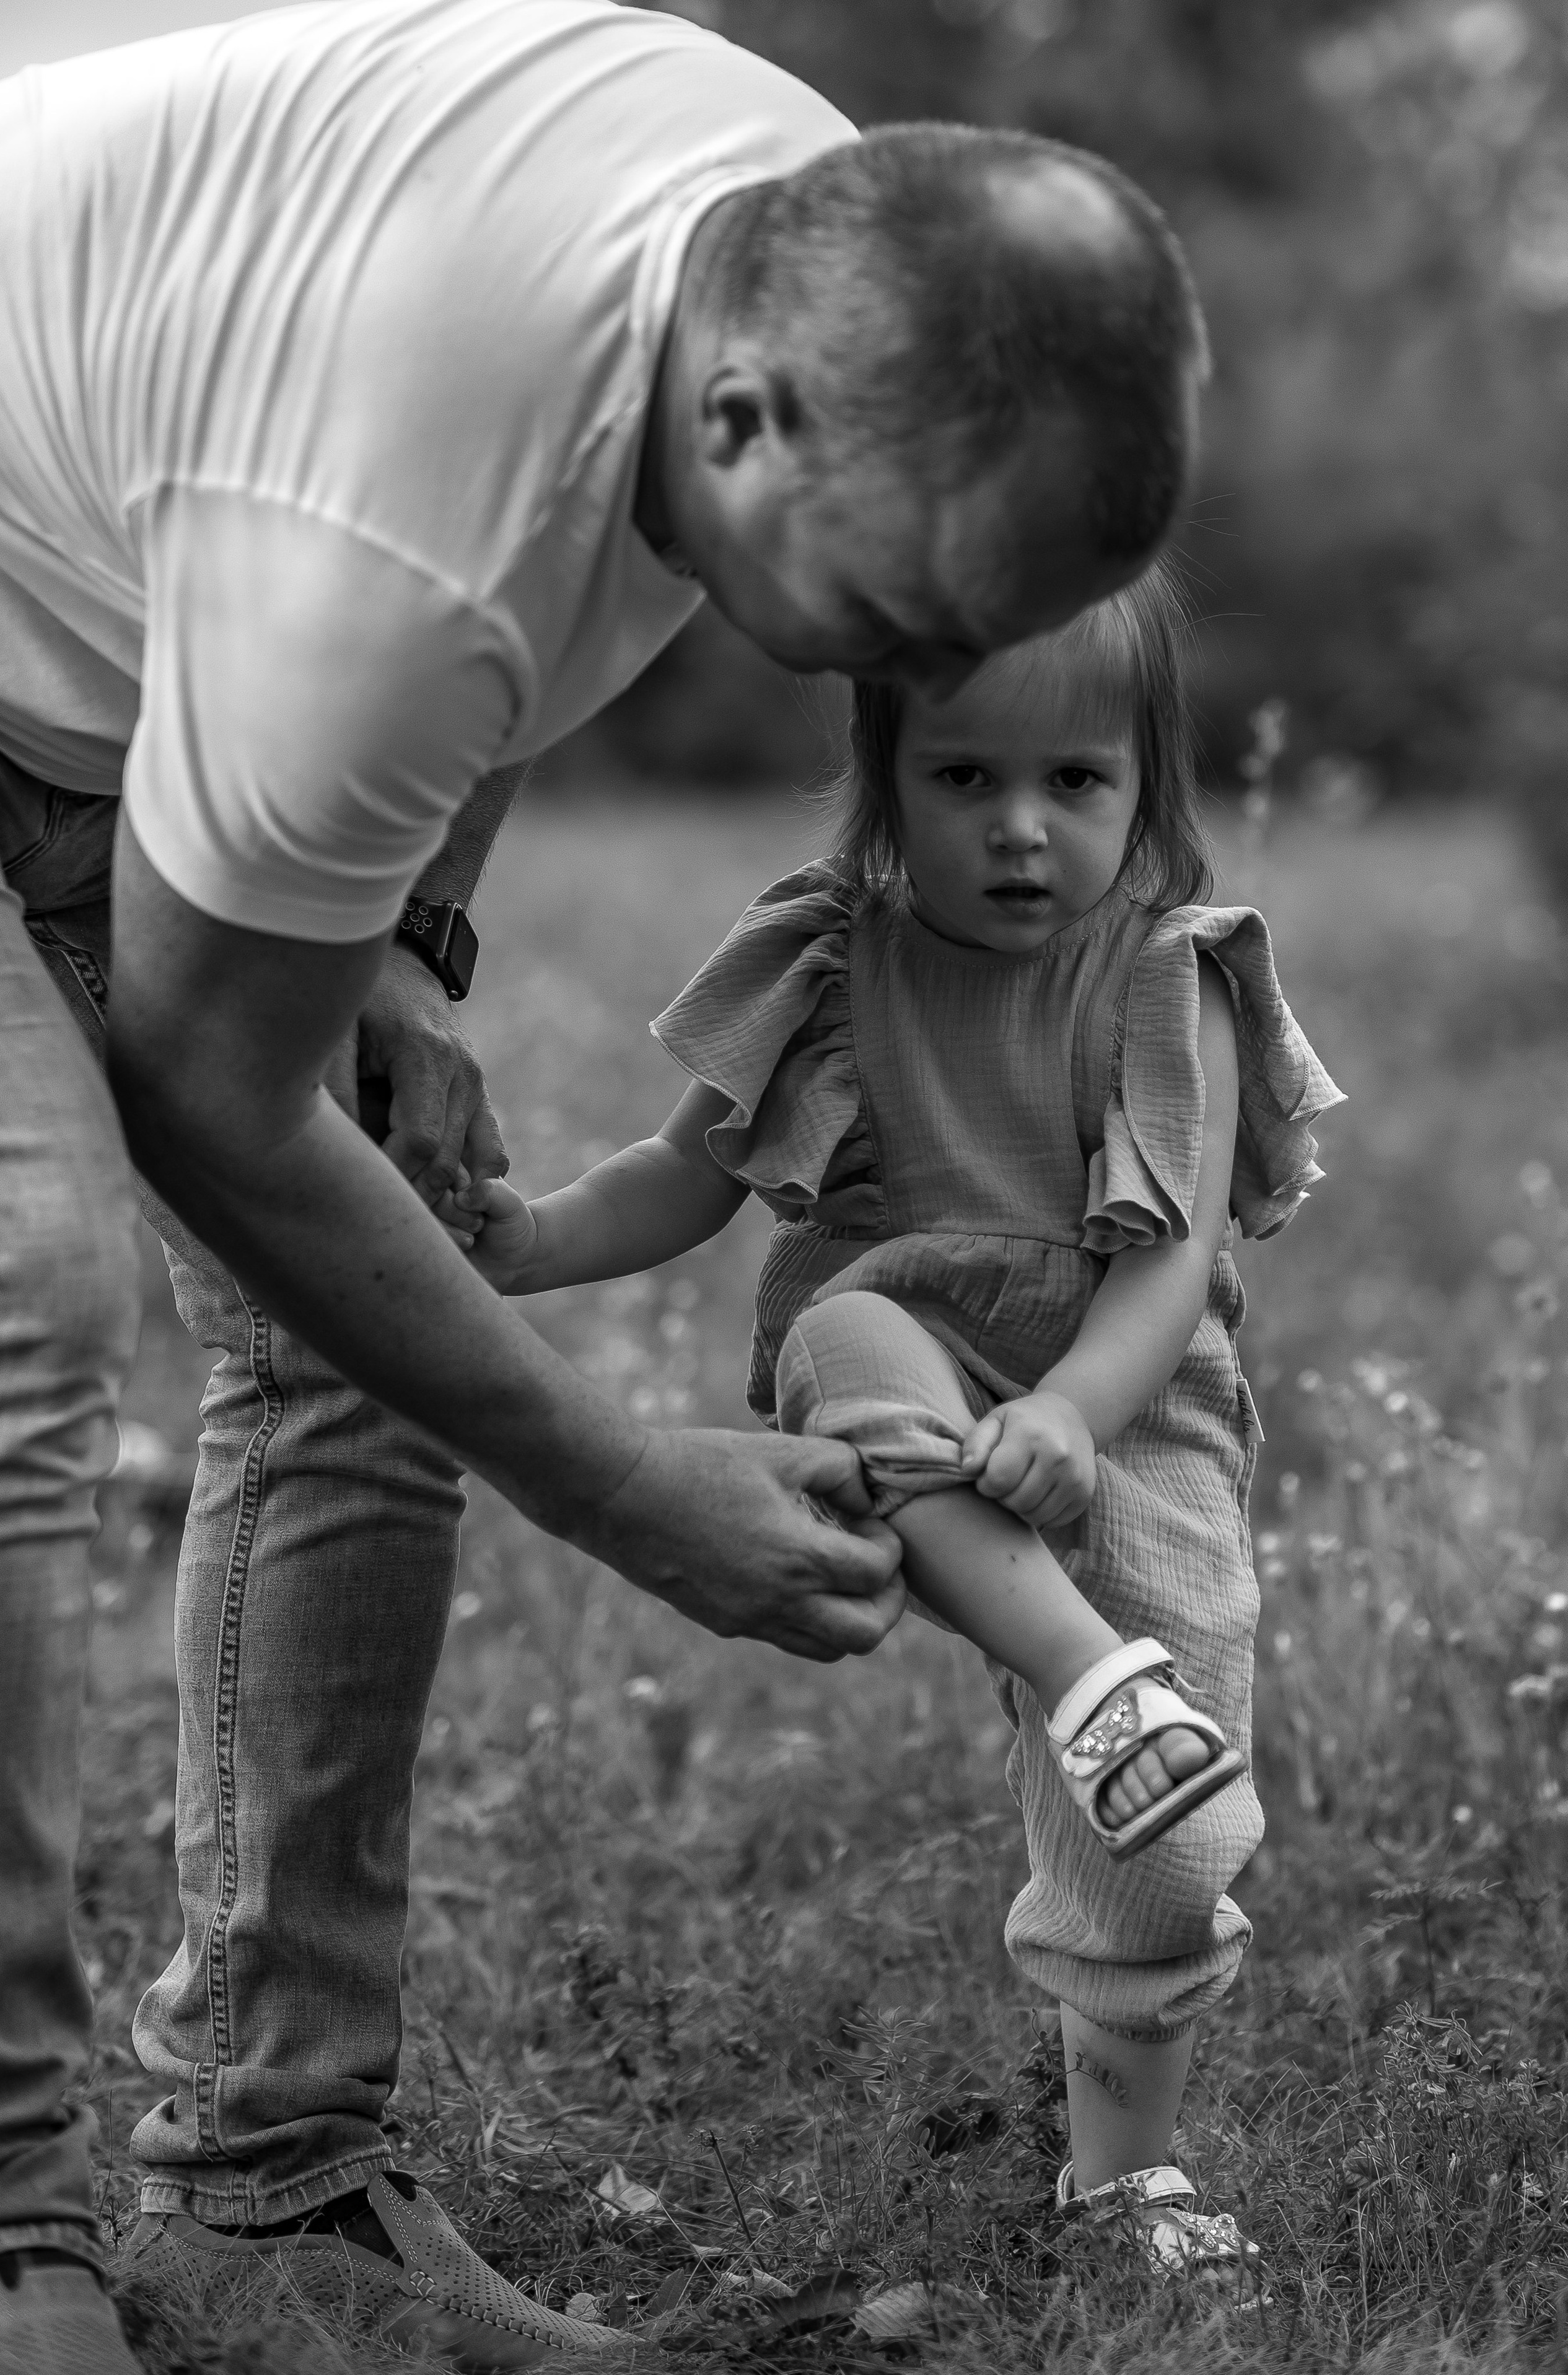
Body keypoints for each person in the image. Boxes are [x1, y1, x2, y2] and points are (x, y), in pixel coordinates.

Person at [0, 2, 1211, 2366]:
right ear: (741, 417)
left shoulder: (788, 228)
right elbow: (208, 1088)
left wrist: (411, 941)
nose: (938, 677)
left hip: (152, 624)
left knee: (383, 1269)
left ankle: (274, 2170)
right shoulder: (402, 534)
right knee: (24, 1294)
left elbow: (533, 613)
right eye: (919, 611)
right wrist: (622, 1477)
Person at [458, 560, 1343, 2288]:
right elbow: (683, 1173)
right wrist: (532, 1241)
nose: (1021, 830)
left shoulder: (1179, 977)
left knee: (1158, 1844)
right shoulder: (833, 956)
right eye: (964, 780)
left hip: (1132, 1398)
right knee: (854, 1314)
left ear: (1147, 786)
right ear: (883, 772)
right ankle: (1083, 1672)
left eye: (1075, 783)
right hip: (908, 1366)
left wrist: (1080, 1420)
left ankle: (1123, 2178)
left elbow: (1167, 1270)